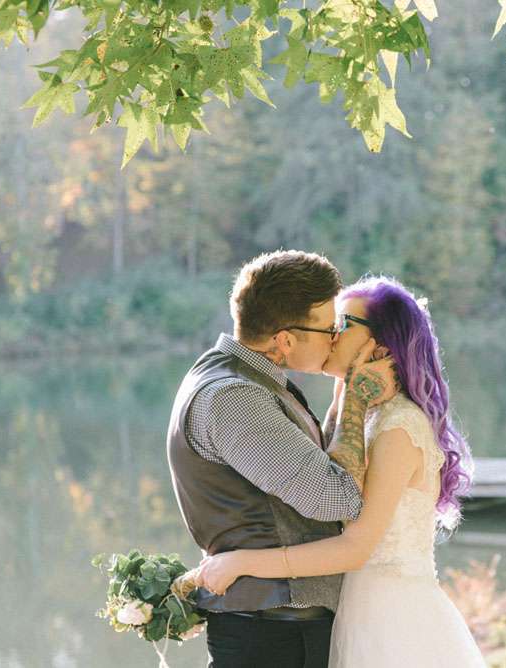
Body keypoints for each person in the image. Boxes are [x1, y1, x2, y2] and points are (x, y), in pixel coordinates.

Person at [189, 276, 487, 667]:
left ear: (379, 347)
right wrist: (346, 396)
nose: (331, 333)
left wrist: (241, 562)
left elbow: (355, 548)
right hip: (358, 612)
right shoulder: (368, 417)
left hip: (393, 624)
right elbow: (331, 473)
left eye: (343, 324)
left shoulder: (398, 428)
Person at [166, 251, 398, 668]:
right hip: (273, 633)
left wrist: (342, 395)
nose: (335, 338)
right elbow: (339, 499)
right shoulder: (234, 398)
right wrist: (357, 399)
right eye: (329, 328)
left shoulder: (248, 378)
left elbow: (314, 466)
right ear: (286, 340)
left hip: (277, 626)